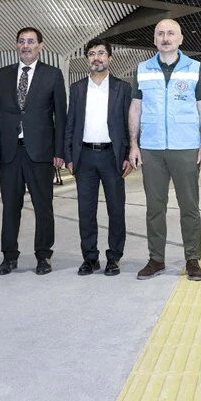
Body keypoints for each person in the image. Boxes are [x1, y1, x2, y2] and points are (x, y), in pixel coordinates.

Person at [128, 19, 201, 281]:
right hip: (152, 148)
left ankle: (192, 259)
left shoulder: (194, 68)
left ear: (180, 39)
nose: (165, 38)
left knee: (189, 206)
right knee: (155, 207)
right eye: (160, 34)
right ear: (154, 40)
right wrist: (134, 143)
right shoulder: (142, 69)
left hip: (185, 147)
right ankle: (156, 259)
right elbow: (135, 108)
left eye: (171, 33)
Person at [0, 27, 67, 276]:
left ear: (40, 46)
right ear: (16, 45)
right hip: (10, 152)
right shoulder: (2, 75)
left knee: (43, 205)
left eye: (31, 42)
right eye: (22, 41)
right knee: (10, 206)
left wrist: (59, 151)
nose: (26, 46)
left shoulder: (52, 74)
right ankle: (9, 256)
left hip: (41, 152)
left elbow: (60, 116)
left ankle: (43, 256)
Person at [64, 38, 132, 276]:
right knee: (86, 210)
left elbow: (128, 124)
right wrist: (69, 156)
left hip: (112, 157)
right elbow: (70, 123)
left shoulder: (122, 88)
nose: (97, 58)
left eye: (101, 53)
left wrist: (128, 154)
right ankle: (90, 257)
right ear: (87, 59)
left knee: (116, 209)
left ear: (110, 57)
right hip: (84, 157)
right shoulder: (78, 88)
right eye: (92, 53)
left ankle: (114, 257)